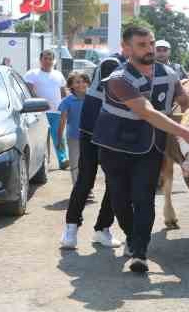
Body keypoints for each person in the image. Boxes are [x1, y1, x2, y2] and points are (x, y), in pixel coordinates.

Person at [92, 26, 189, 273]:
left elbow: (186, 104)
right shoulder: (118, 79)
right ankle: (132, 236)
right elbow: (147, 112)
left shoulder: (169, 74)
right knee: (119, 197)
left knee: (144, 196)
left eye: (150, 43)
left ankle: (139, 252)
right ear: (126, 49)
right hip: (114, 145)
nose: (149, 49)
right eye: (141, 45)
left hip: (150, 146)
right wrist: (188, 134)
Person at [60, 52, 127, 250]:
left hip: (113, 140)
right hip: (91, 137)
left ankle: (102, 229)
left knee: (113, 184)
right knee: (84, 181)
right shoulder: (97, 89)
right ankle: (71, 229)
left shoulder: (125, 86)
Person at [24, 49, 69, 170]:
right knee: (40, 138)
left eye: (50, 59)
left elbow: (63, 92)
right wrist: (41, 103)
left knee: (59, 136)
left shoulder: (58, 74)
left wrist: (67, 107)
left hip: (57, 111)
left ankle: (63, 159)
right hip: (40, 112)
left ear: (53, 61)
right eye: (45, 58)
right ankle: (39, 164)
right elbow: (30, 91)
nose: (48, 61)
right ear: (40, 60)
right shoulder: (32, 74)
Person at [58, 72, 90, 185]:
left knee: (88, 163)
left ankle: (87, 188)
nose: (81, 84)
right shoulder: (67, 101)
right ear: (71, 85)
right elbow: (62, 120)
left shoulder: (92, 98)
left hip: (90, 137)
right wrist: (59, 138)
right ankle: (78, 188)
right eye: (77, 82)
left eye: (83, 81)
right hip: (73, 137)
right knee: (75, 163)